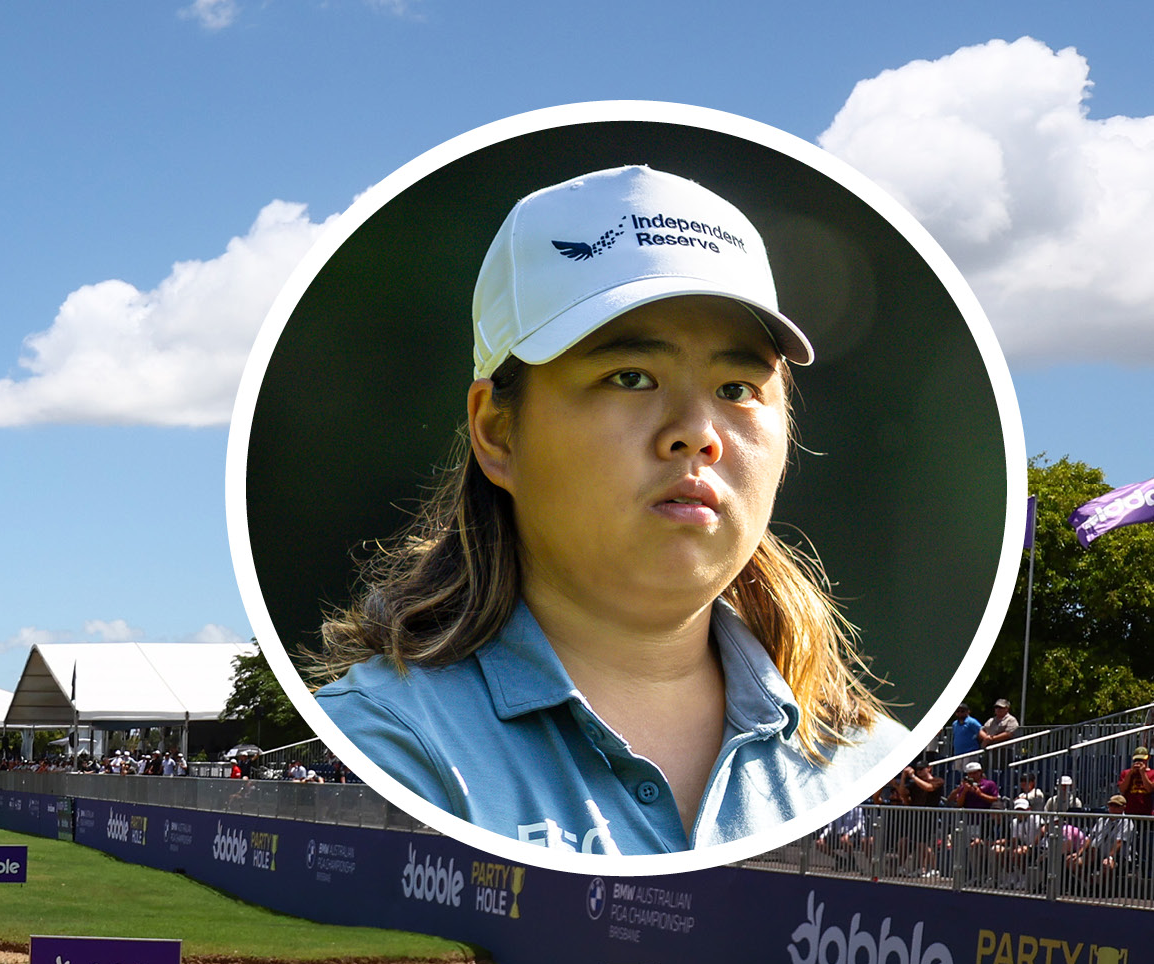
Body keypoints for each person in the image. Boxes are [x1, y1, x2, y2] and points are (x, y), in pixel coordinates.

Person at [307, 166, 901, 856]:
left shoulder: (866, 758)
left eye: (736, 386)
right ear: (497, 432)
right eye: (629, 377)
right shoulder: (381, 744)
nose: (695, 431)